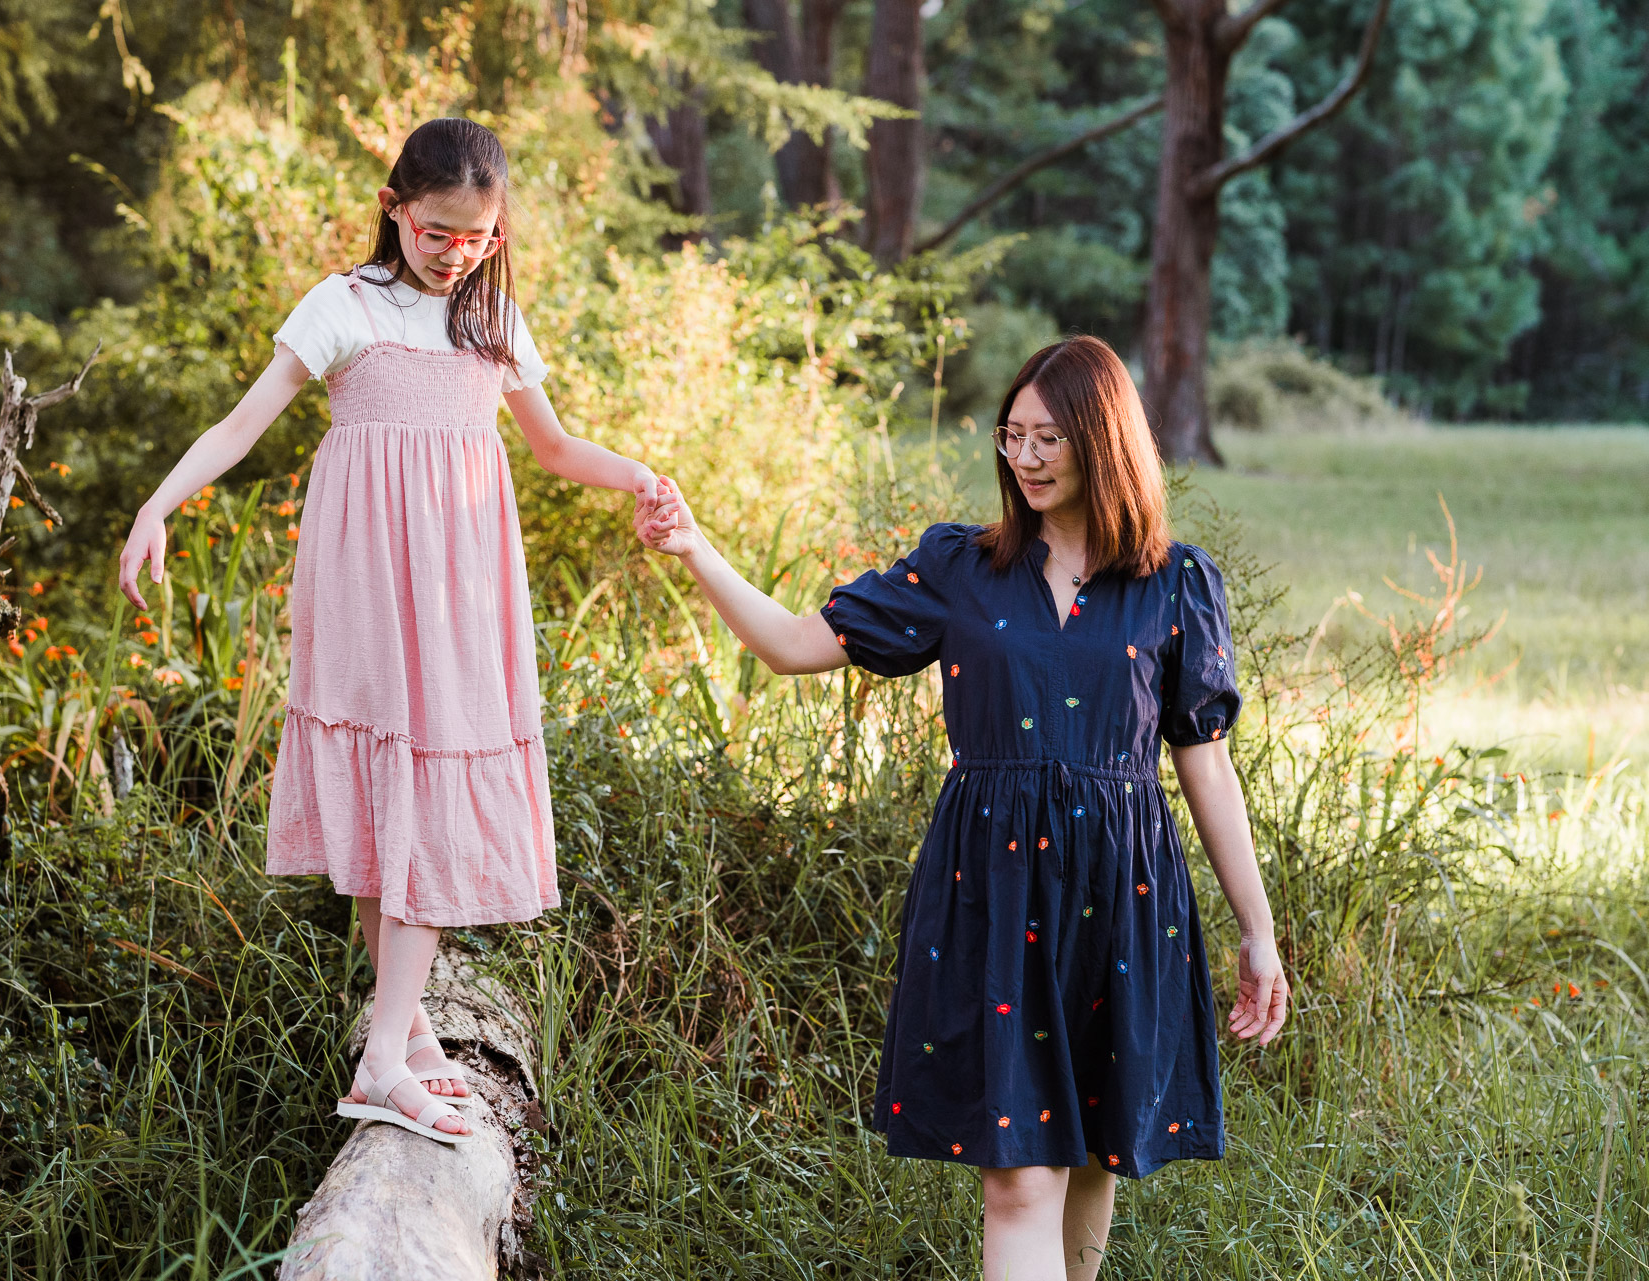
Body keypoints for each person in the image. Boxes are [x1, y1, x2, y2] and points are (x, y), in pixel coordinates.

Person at [634, 335, 1288, 1277]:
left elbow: (1208, 767)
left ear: (1103, 441)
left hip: (1126, 894)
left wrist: (1256, 931)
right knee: (1019, 1178)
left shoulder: (1175, 583)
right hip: (997, 888)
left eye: (1047, 437)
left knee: (1097, 1155)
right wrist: (697, 547)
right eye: (1011, 435)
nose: (1022, 457)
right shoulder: (960, 567)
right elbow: (788, 644)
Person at [119, 117, 658, 1144]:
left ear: (498, 233)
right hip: (367, 581)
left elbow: (551, 447)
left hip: (463, 584)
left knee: (429, 785)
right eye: (437, 231)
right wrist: (159, 504)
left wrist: (637, 473)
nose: (456, 251)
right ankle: (381, 1062)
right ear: (394, 209)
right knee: (399, 790)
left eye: (478, 235)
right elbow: (243, 422)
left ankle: (404, 1037)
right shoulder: (345, 305)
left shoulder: (493, 320)